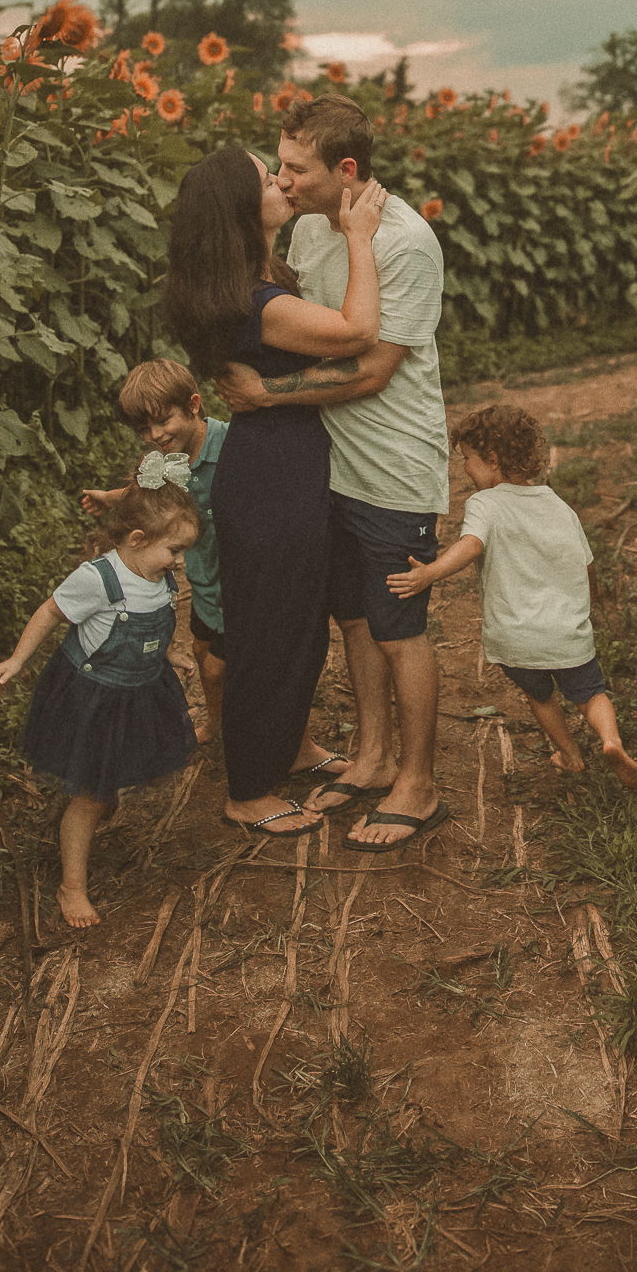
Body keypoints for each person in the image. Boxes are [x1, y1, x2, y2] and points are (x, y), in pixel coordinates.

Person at [219, 92, 451, 855]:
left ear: (345, 169)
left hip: (392, 465)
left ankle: (418, 781)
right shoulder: (318, 230)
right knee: (354, 617)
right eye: (277, 167)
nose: (282, 183)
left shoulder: (405, 242)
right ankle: (375, 755)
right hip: (333, 464)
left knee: (400, 628)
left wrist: (264, 394)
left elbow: (375, 368)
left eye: (296, 170)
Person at [163, 142, 388, 837]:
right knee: (273, 631)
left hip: (278, 462)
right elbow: (357, 331)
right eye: (270, 178)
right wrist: (359, 239)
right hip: (272, 475)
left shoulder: (262, 277)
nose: (284, 183)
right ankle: (251, 791)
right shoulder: (257, 303)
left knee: (295, 620)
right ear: (241, 208)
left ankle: (291, 745)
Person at [388, 403, 637, 793]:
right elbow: (587, 564)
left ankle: (569, 753)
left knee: (539, 696)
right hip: (567, 632)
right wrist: (591, 602)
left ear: (492, 460)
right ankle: (611, 741)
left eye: (468, 459)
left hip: (516, 638)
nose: (464, 469)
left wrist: (429, 573)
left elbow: (471, 544)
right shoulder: (559, 506)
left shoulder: (485, 504)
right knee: (590, 694)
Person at [0, 472, 202, 928]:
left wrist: (169, 652)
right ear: (139, 539)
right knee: (87, 792)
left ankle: (101, 794)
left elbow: (152, 623)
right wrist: (17, 660)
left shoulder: (156, 574)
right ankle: (72, 886)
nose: (180, 562)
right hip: (94, 696)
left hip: (140, 690)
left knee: (117, 764)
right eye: (174, 550)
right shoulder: (99, 579)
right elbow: (49, 612)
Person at [83, 359, 228, 744]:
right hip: (204, 582)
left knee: (218, 667)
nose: (156, 435)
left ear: (194, 405)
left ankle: (258, 733)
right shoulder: (165, 462)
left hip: (238, 583)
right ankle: (216, 722)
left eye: (164, 421)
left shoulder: (232, 445)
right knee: (201, 649)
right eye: (145, 428)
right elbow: (147, 494)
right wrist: (111, 498)